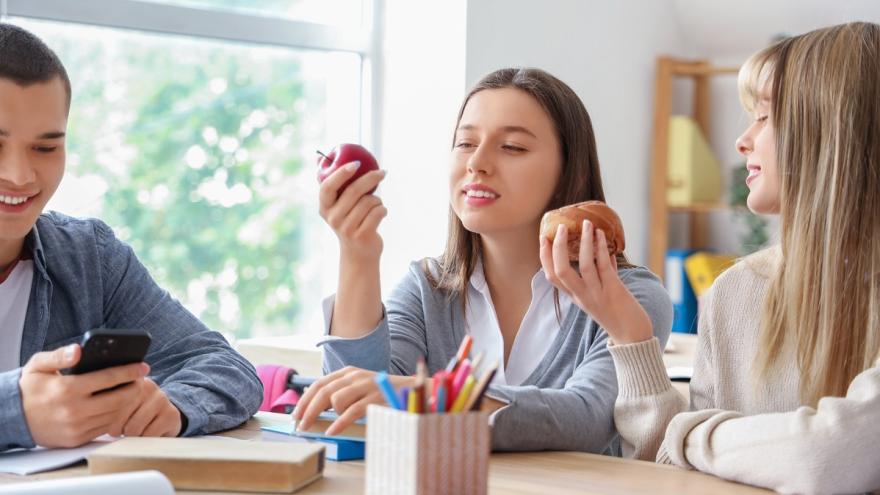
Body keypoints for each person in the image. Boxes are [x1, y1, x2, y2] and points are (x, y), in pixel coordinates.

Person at [293, 67, 672, 452]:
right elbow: (352, 409)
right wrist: (357, 254)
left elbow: (586, 418)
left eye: (512, 147)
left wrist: (436, 397)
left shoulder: (631, 296)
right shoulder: (427, 288)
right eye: (465, 143)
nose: (477, 163)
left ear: (568, 173)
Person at [584, 22, 880, 493]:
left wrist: (690, 433)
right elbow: (672, 472)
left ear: (832, 129)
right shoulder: (736, 291)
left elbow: (830, 456)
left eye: (765, 117)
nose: (743, 141)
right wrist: (629, 334)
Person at [0, 23, 262, 452]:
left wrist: (173, 408)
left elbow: (225, 366)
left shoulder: (90, 259)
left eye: (45, 149)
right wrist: (16, 411)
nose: (20, 175)